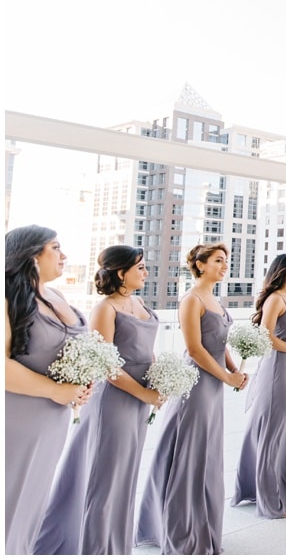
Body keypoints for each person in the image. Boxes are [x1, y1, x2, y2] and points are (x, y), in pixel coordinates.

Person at [34, 245, 162, 554]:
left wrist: (160, 379)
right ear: (121, 273)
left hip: (138, 403)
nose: (146, 272)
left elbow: (146, 350)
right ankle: (96, 549)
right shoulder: (105, 309)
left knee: (125, 476)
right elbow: (106, 365)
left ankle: (116, 546)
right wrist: (145, 392)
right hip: (114, 403)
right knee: (104, 480)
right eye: (141, 267)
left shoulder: (139, 301)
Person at [136, 243, 248, 554]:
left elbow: (220, 342)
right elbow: (196, 349)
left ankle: (203, 522)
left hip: (214, 386)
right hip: (196, 385)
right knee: (190, 453)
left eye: (226, 261)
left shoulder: (216, 299)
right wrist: (226, 377)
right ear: (199, 265)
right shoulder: (191, 300)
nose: (224, 266)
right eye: (218, 261)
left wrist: (234, 368)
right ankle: (179, 528)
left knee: (207, 453)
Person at [5, 225, 93, 555]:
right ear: (31, 256)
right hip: (17, 421)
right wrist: (56, 391)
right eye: (55, 248)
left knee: (32, 506)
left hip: (52, 424)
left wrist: (82, 380)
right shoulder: (7, 298)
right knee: (11, 504)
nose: (64, 255)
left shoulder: (56, 295)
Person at [231, 254, 286, 519]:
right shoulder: (275, 299)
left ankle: (283, 490)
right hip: (277, 369)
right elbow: (265, 337)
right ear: (285, 271)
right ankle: (269, 499)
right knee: (273, 434)